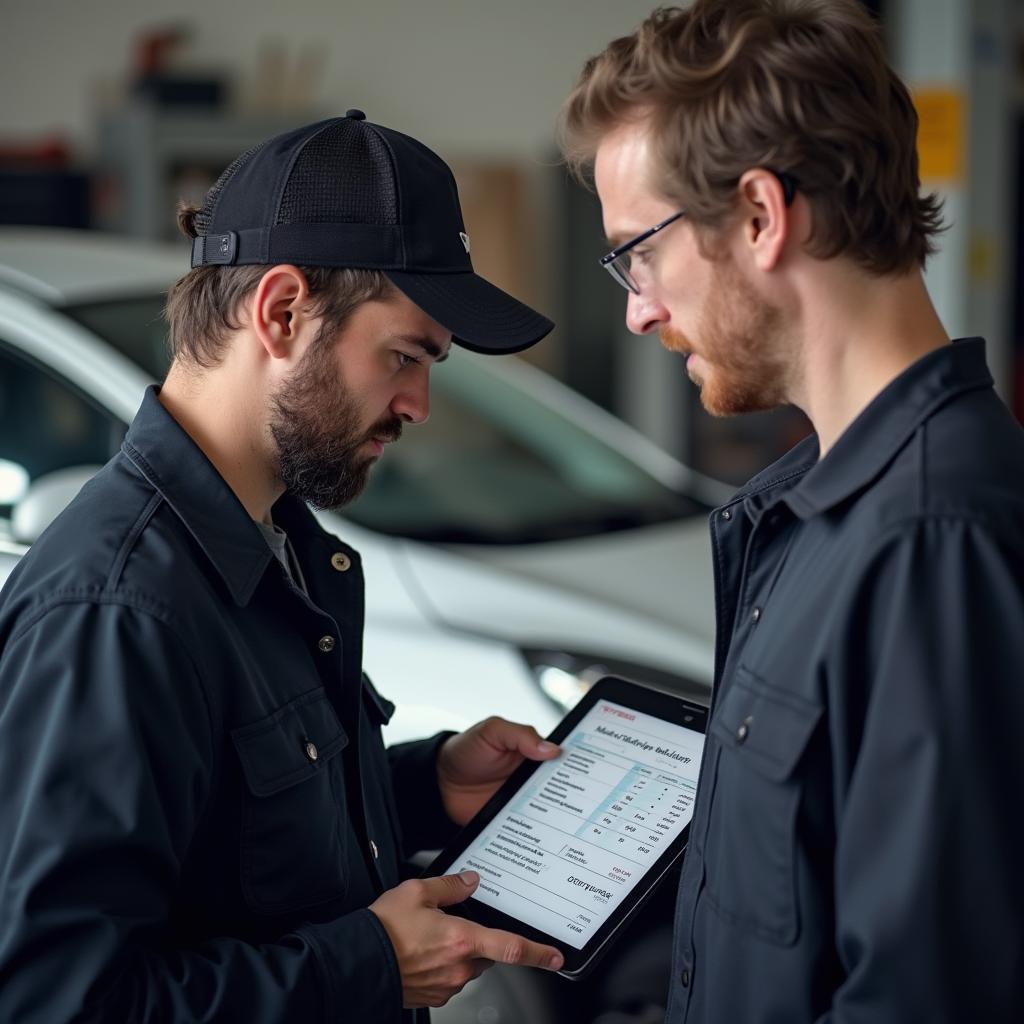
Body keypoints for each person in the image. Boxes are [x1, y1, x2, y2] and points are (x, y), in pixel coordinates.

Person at [0, 111, 567, 1023]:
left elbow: (237, 835)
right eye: (403, 356)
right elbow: (56, 1002)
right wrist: (368, 967)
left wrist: (425, 786)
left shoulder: (287, 546)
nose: (418, 405)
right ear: (282, 311)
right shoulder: (119, 611)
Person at [559, 2, 1024, 1021]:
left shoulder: (932, 542)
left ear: (762, 215)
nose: (637, 307)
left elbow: (923, 997)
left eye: (637, 251)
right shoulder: (807, 515)